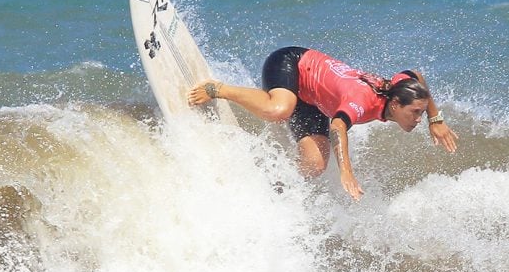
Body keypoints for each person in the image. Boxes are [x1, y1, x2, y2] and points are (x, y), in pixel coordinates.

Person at [188, 46, 458, 200]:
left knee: (315, 165)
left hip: (315, 101)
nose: (418, 118)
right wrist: (347, 171)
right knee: (280, 109)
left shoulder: (401, 88)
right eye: (416, 113)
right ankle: (218, 88)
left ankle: (269, 185)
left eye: (421, 113)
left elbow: (417, 77)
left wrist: (435, 119)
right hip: (291, 64)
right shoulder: (361, 101)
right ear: (396, 105)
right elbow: (338, 126)